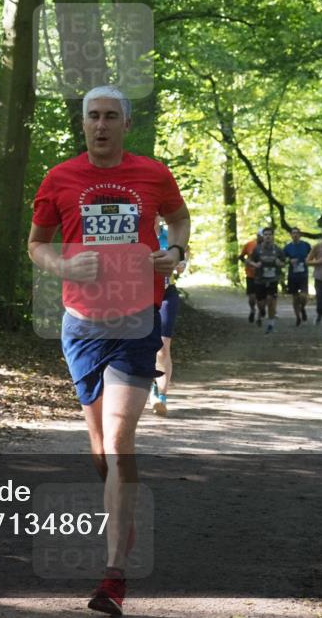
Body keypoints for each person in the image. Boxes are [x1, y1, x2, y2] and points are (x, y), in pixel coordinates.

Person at [29, 85, 189, 616]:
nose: (101, 125)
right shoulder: (59, 178)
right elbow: (36, 243)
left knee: (119, 441)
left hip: (137, 321)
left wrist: (176, 250)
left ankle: (113, 576)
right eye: (92, 117)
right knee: (101, 453)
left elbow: (179, 220)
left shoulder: (153, 173)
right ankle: (124, 513)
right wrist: (62, 265)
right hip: (81, 325)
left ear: (126, 122)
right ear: (82, 124)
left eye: (110, 117)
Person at [151, 221, 188, 417]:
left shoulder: (170, 235)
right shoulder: (136, 233)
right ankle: (147, 385)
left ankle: (161, 395)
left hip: (166, 294)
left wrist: (181, 263)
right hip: (140, 295)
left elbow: (182, 262)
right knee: (140, 345)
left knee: (163, 347)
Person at [250, 226, 286, 333]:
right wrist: (255, 264)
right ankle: (261, 312)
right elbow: (249, 261)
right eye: (265, 235)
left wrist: (280, 264)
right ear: (262, 236)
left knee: (271, 300)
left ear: (273, 236)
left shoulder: (278, 249)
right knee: (261, 303)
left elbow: (284, 262)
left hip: (273, 279)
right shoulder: (257, 249)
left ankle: (271, 324)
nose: (268, 237)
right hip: (260, 279)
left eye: (270, 235)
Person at [283, 227, 312, 326]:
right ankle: (298, 317)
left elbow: (312, 256)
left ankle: (302, 307)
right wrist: (289, 261)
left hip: (303, 274)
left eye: (297, 233)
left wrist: (308, 260)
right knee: (295, 297)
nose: (295, 235)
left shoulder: (306, 245)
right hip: (292, 275)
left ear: (300, 235)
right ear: (291, 235)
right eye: (293, 233)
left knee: (303, 296)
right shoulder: (287, 247)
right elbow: (282, 260)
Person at [238, 230, 263, 324]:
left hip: (262, 276)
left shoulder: (268, 247)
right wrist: (246, 263)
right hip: (250, 275)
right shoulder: (249, 244)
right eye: (261, 236)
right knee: (252, 298)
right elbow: (241, 256)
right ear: (257, 236)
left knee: (261, 299)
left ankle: (260, 316)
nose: (263, 238)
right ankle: (252, 310)